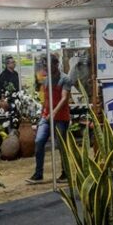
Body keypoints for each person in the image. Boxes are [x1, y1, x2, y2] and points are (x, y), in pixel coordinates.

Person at [26, 54, 72, 184]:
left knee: (61, 146)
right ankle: (38, 174)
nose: (46, 67)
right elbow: (46, 99)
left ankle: (65, 173)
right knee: (39, 141)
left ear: (56, 64)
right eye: (45, 65)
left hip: (61, 118)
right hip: (46, 117)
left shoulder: (65, 79)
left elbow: (64, 98)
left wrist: (54, 112)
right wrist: (42, 114)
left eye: (48, 65)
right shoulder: (46, 80)